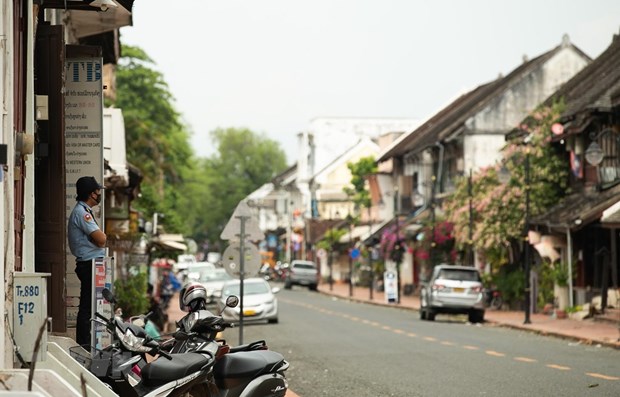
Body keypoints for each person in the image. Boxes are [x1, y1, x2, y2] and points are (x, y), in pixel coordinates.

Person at [67, 176, 106, 347]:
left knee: (91, 306)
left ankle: (88, 342)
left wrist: (99, 240)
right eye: (98, 191)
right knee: (87, 307)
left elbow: (99, 240)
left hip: (91, 263)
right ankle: (83, 344)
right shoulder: (82, 213)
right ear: (91, 194)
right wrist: (100, 239)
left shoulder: (85, 211)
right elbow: (101, 239)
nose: (99, 194)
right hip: (88, 265)